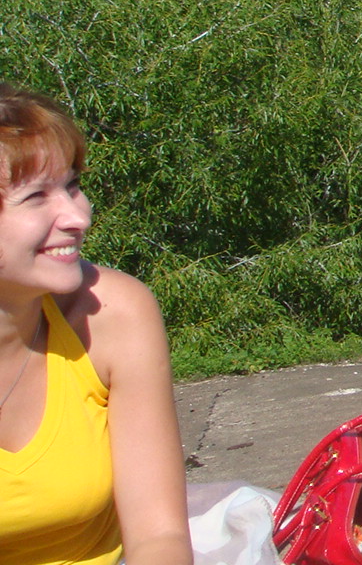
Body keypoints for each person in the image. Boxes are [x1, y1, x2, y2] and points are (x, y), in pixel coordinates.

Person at [0, 83, 192, 565]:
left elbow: (159, 537)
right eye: (36, 196)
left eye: (71, 185)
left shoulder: (112, 312)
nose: (78, 216)